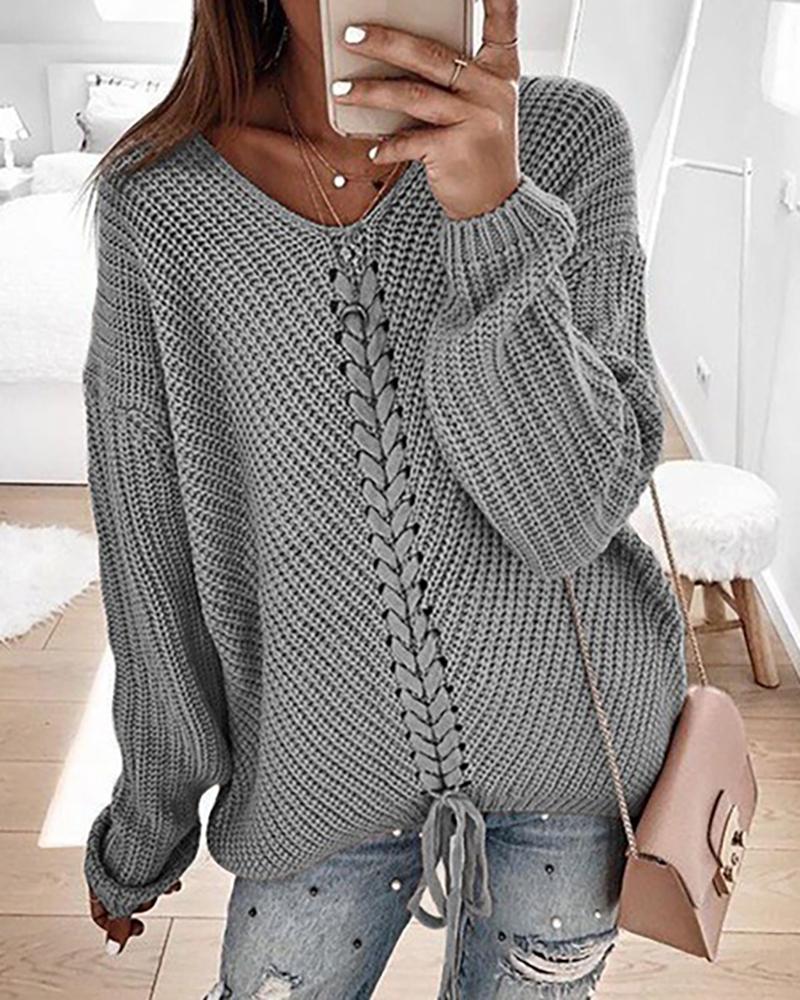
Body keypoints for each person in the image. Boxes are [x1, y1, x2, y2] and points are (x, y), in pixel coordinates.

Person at [81, 1, 687, 997]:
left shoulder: (567, 139)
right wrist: (148, 825)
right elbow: (151, 550)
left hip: (575, 763)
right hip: (309, 778)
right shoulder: (160, 203)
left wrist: (492, 214)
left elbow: (569, 518)